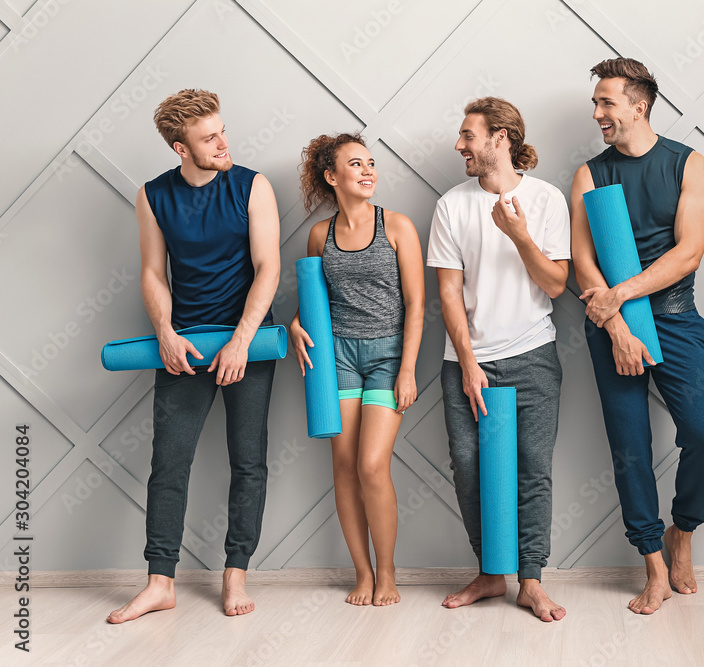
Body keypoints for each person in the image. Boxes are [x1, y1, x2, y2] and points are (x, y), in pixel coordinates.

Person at [107, 89, 281, 623]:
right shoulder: (152, 195)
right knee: (168, 462)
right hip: (182, 347)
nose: (223, 143)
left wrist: (241, 340)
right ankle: (160, 582)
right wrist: (164, 331)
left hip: (248, 342)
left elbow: (268, 267)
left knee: (247, 461)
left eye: (223, 131)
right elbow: (154, 273)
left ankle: (235, 574)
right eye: (209, 138)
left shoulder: (252, 185)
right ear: (180, 148)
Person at [569, 58, 704, 615]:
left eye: (606, 102)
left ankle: (682, 531)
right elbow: (583, 266)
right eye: (595, 103)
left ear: (638, 107)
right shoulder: (590, 173)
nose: (597, 113)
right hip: (608, 324)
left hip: (676, 316)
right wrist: (614, 324)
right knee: (631, 449)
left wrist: (621, 294)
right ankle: (653, 565)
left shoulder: (689, 164)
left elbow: (689, 253)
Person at [427, 97, 570, 622]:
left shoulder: (548, 199)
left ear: (501, 138)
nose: (460, 145)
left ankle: (530, 581)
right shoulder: (452, 205)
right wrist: (467, 363)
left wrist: (518, 235)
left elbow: (556, 284)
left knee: (533, 471)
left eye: (469, 135)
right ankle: (491, 574)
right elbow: (448, 293)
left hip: (533, 354)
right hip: (464, 360)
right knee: (469, 467)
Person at [289, 133, 424, 606]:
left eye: (371, 163)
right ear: (332, 177)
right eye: (355, 164)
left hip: (388, 358)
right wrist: (294, 323)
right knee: (344, 467)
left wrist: (407, 370)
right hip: (338, 358)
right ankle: (362, 574)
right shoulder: (318, 236)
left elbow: (417, 304)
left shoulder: (398, 227)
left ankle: (388, 573)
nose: (368, 171)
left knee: (371, 465)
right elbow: (313, 300)